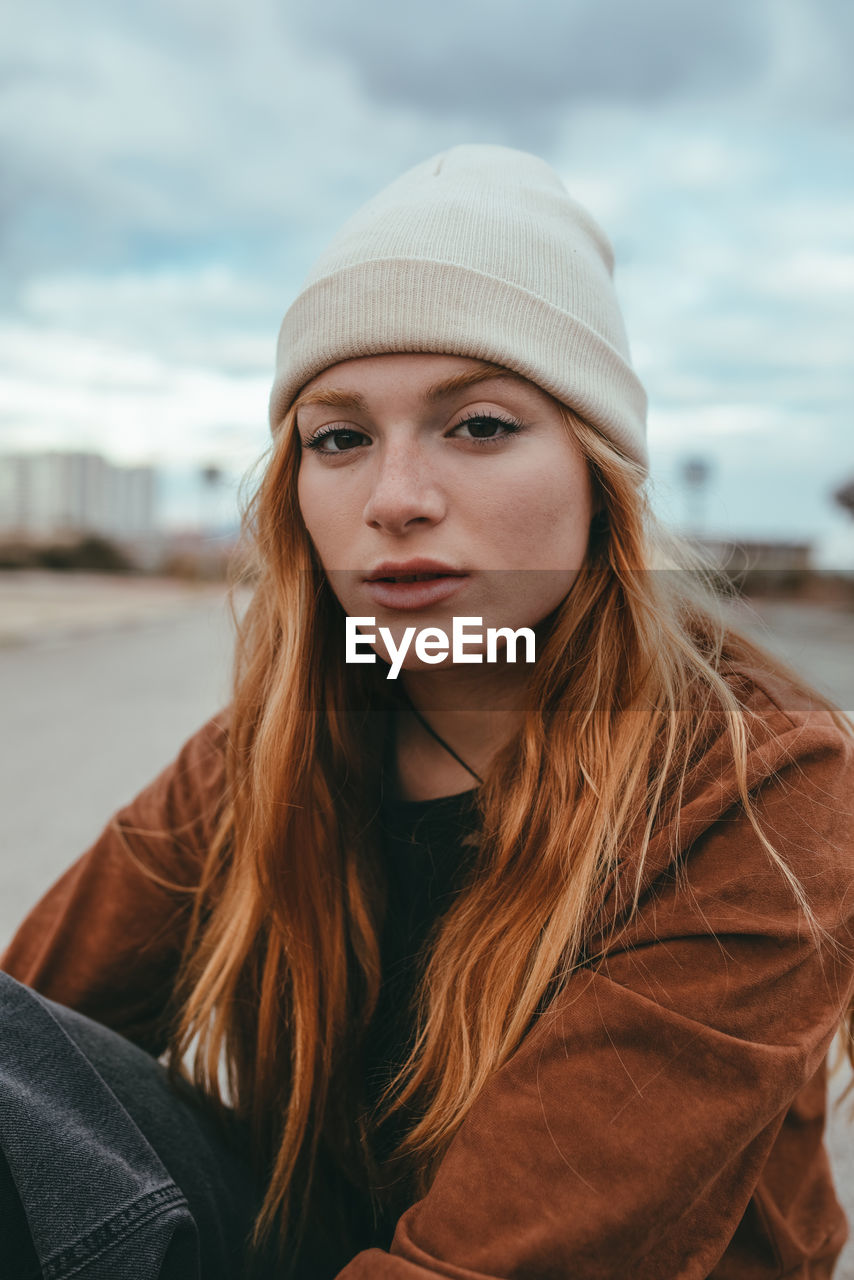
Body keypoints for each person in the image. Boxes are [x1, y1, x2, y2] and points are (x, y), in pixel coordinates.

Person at [2, 144, 854, 1279]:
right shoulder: (269, 754)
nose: (395, 499)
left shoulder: (757, 791)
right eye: (340, 438)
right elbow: (31, 1047)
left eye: (480, 425)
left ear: (598, 474)